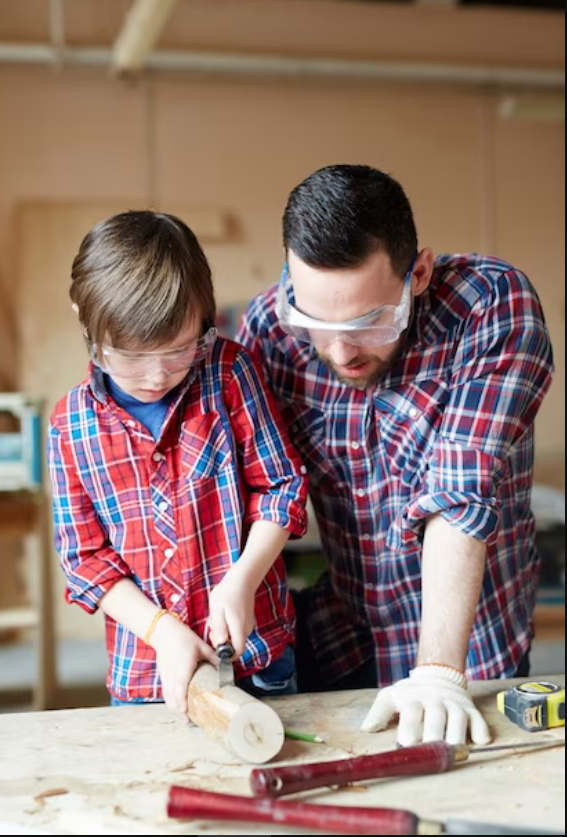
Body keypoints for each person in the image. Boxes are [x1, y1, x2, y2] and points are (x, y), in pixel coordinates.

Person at [237, 164, 554, 747]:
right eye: (315, 322)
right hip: (350, 631)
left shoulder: (490, 307)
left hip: (472, 650)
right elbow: (242, 485)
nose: (339, 350)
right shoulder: (269, 329)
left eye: (367, 322)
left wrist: (438, 673)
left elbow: (459, 491)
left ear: (419, 274)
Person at [47, 211, 308, 715]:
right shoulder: (70, 426)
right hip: (147, 675)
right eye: (128, 356)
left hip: (259, 659)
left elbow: (282, 488)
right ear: (83, 316)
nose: (154, 376)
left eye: (178, 351)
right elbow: (84, 561)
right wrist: (160, 630)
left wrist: (242, 580)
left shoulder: (229, 375)